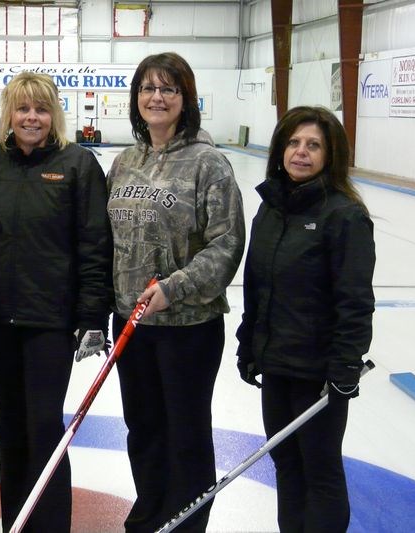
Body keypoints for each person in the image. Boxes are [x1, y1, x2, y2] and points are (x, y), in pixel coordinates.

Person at [0, 71, 113, 532]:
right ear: (8, 112)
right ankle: (16, 523)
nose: (31, 118)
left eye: (41, 109)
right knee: (9, 424)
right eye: (23, 108)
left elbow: (93, 244)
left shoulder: (77, 166)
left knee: (43, 427)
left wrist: (91, 316)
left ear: (54, 115)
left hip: (51, 320)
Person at [106, 52, 245, 533]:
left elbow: (227, 243)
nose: (156, 97)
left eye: (168, 89)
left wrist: (174, 288)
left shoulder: (208, 163)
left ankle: (185, 525)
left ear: (186, 99)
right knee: (143, 430)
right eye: (147, 88)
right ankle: (149, 516)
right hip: (132, 326)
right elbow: (110, 241)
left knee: (185, 435)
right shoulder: (125, 161)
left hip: (187, 328)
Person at [236, 106, 375, 533]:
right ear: (280, 150)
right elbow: (257, 284)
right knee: (286, 463)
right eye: (294, 143)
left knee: (320, 469)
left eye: (313, 145)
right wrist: (248, 345)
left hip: (318, 372)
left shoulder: (344, 216)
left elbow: (354, 301)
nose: (301, 152)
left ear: (330, 154)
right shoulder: (272, 207)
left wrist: (344, 368)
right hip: (277, 364)